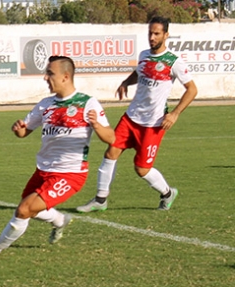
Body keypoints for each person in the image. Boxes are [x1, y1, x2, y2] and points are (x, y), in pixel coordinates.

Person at [0, 56, 115, 260]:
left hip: (70, 174)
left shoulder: (87, 103)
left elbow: (112, 138)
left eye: (50, 73)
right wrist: (18, 129)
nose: (45, 78)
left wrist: (98, 126)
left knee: (24, 210)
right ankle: (59, 220)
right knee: (29, 208)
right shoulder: (45, 104)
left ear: (66, 77)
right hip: (43, 170)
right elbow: (25, 132)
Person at [76, 16, 198, 213]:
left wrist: (174, 114)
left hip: (153, 123)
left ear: (166, 35)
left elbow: (192, 90)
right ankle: (100, 199)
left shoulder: (173, 62)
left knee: (141, 169)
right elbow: (138, 73)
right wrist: (126, 82)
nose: (152, 37)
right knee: (111, 152)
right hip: (131, 117)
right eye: (150, 33)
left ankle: (167, 193)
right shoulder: (143, 55)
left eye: (157, 33)